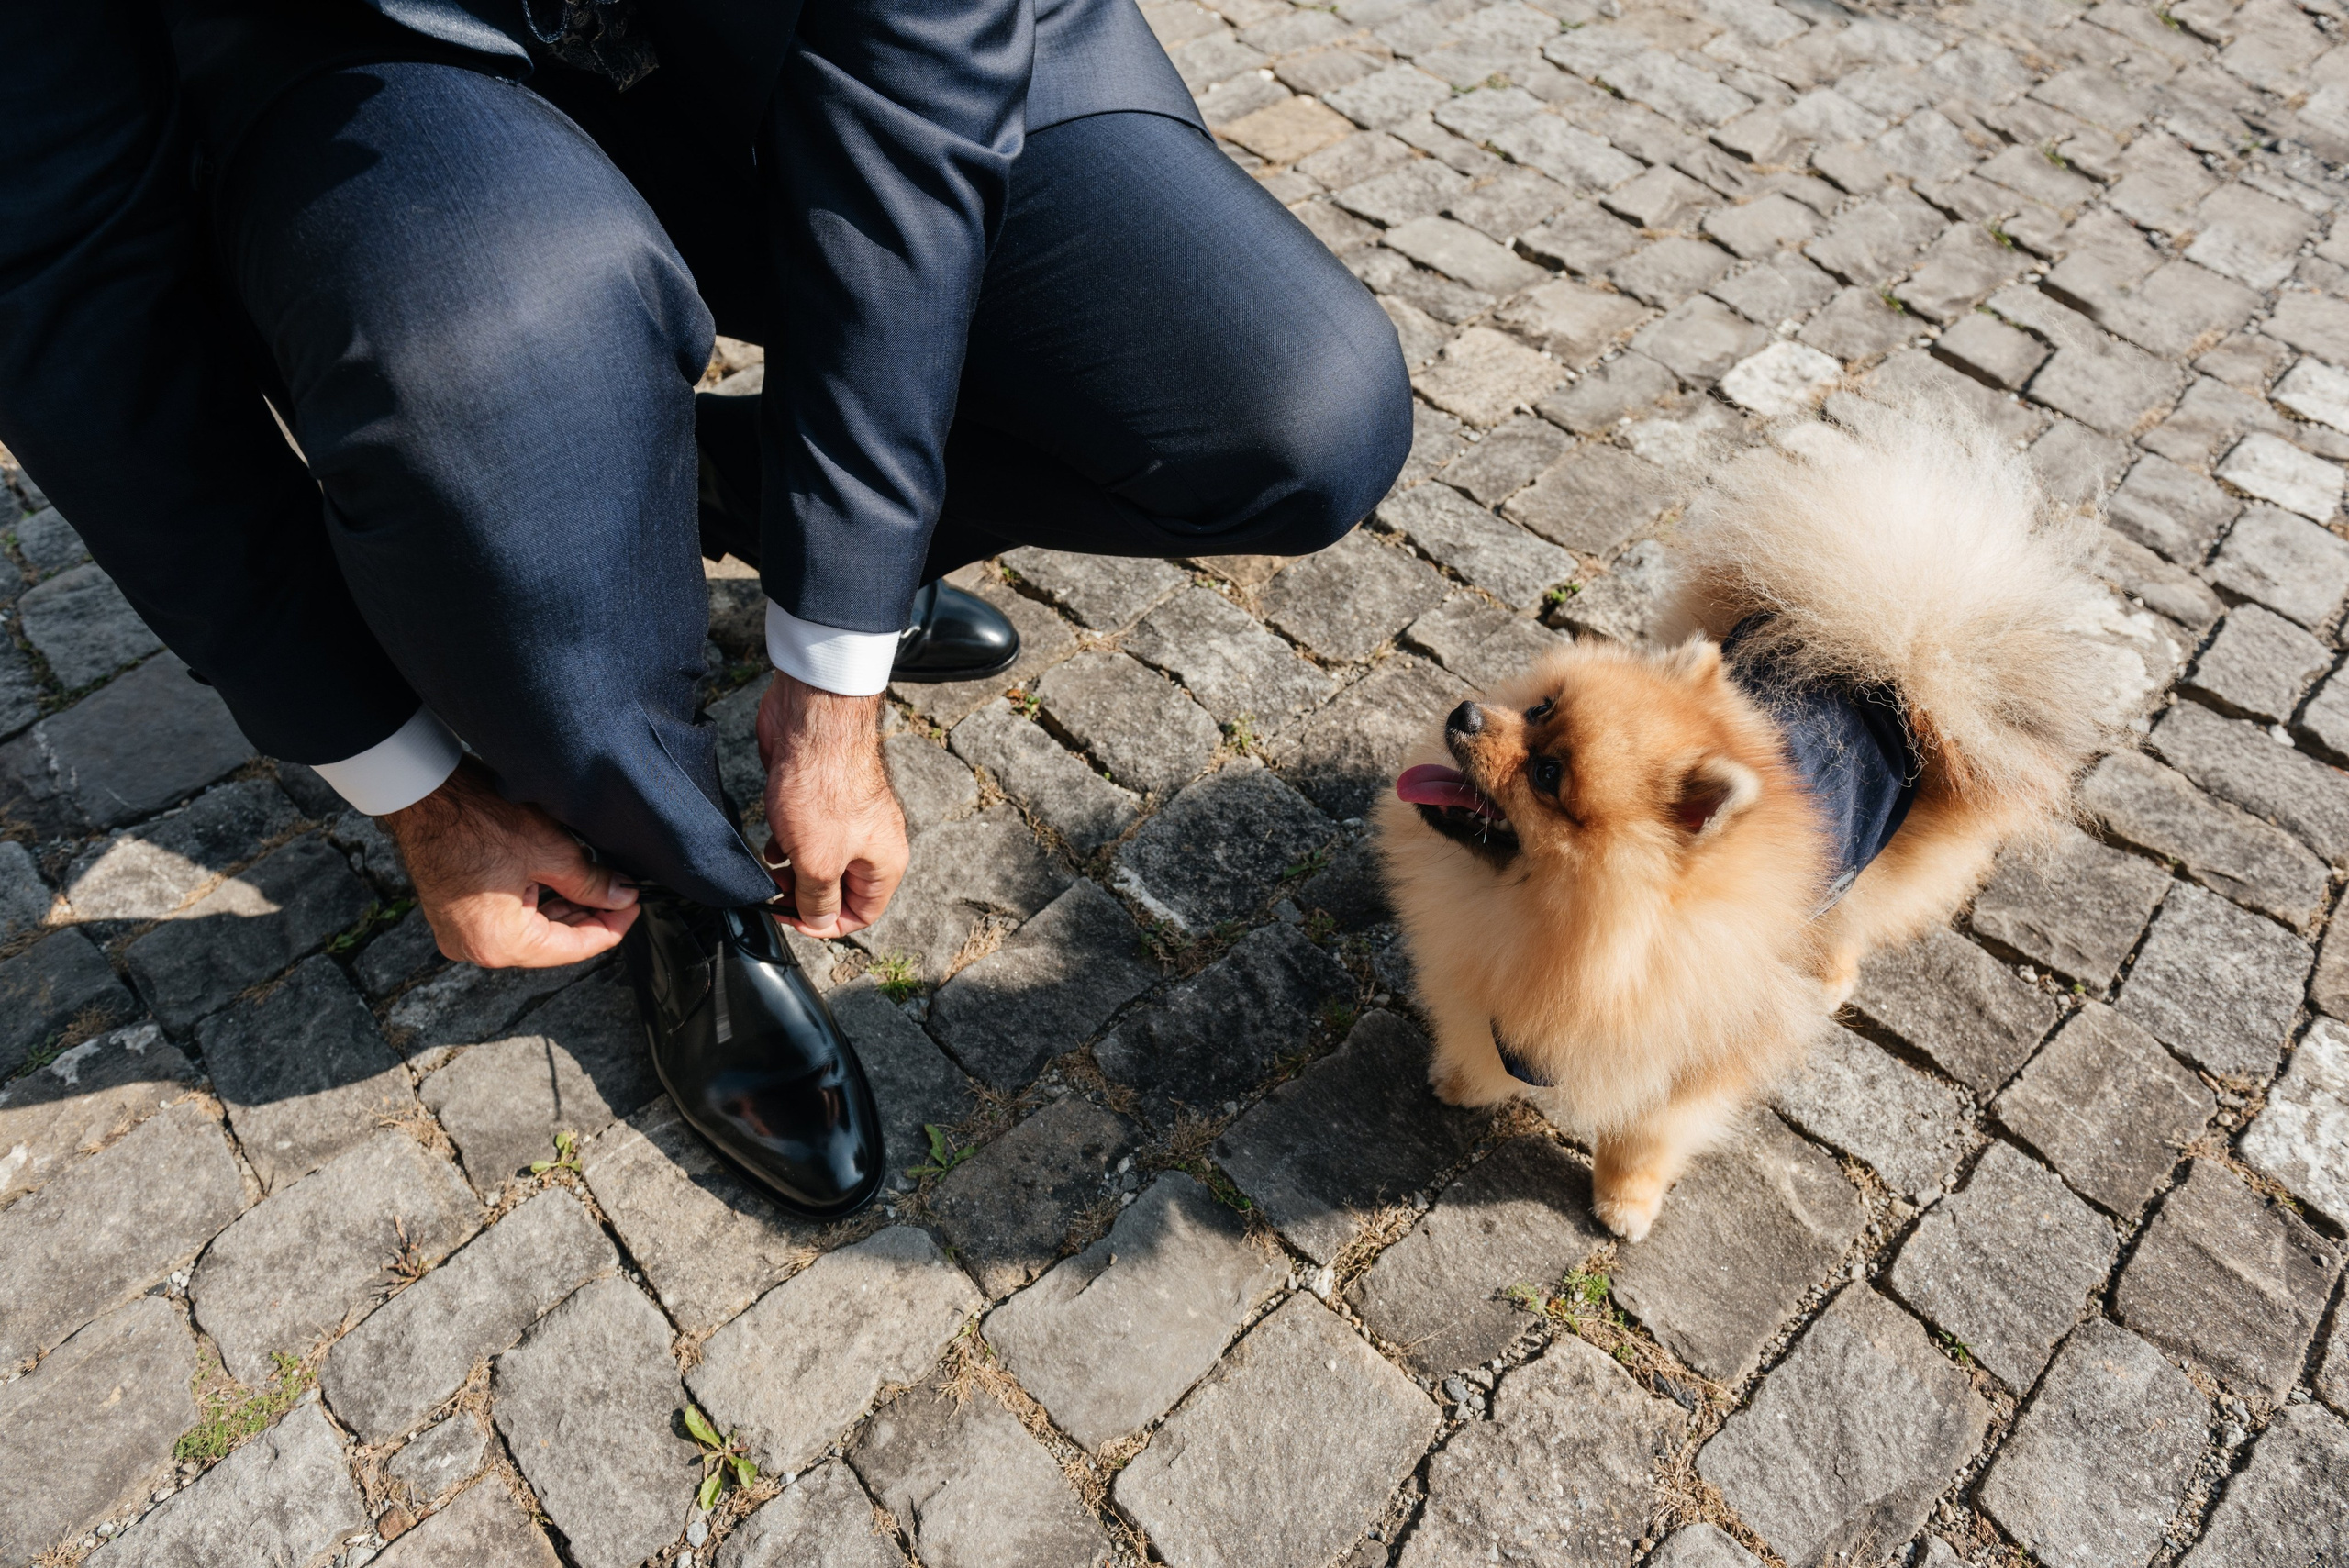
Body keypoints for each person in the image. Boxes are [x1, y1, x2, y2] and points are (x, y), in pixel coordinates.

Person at [0, 0, 1412, 1218]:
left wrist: (834, 642)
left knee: (1288, 409)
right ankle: (660, 847)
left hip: (809, 34)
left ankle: (731, 509)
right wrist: (410, 782)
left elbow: (913, 89)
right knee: (496, 357)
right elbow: (64, 272)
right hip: (368, 78)